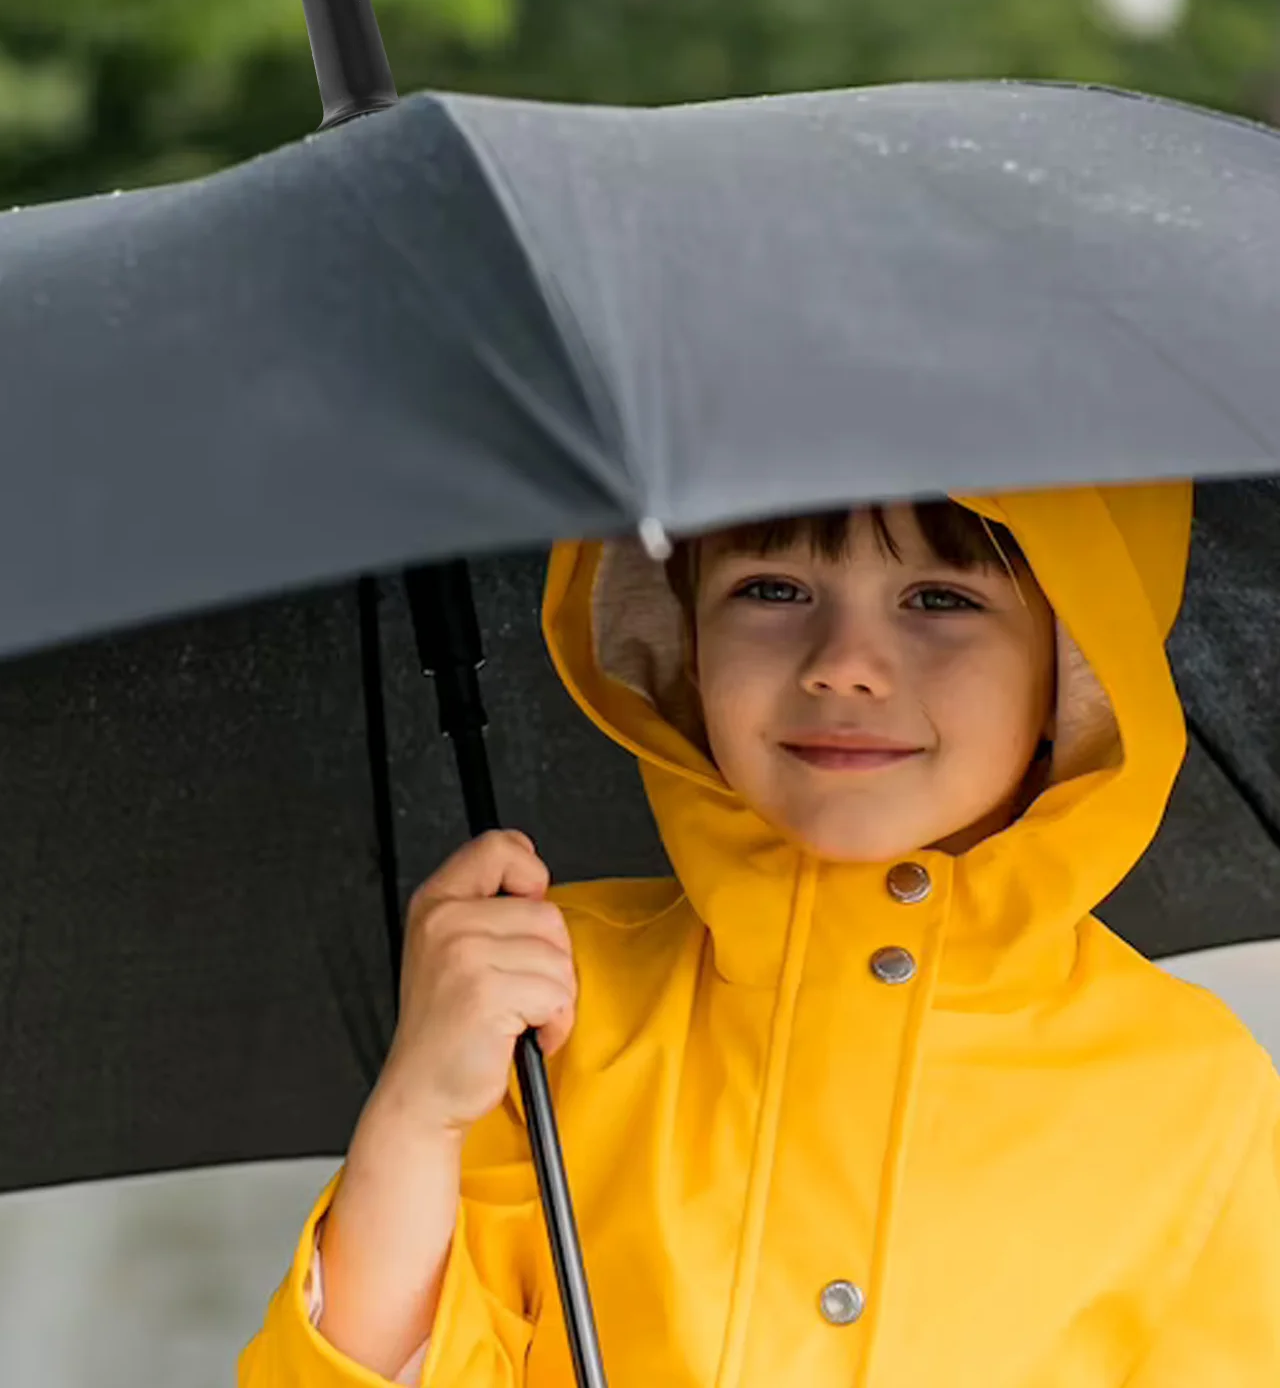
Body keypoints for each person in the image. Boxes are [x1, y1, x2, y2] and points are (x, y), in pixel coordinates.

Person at [238, 482, 1280, 1386]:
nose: (845, 665)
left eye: (941, 598)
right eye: (772, 589)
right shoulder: (546, 1006)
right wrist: (416, 1115)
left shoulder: (1197, 1096)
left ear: (1077, 662)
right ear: (683, 632)